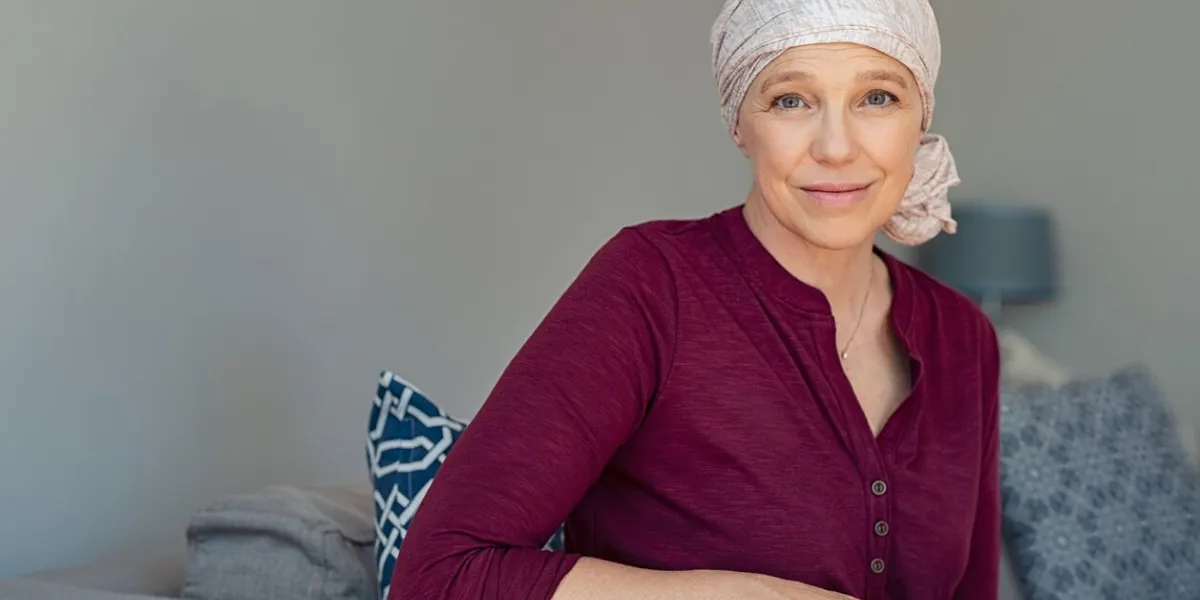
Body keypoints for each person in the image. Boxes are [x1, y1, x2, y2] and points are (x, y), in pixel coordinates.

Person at [390, 0, 1000, 598]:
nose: (836, 148)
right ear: (740, 123)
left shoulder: (964, 337)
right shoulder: (652, 286)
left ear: (921, 117)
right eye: (791, 100)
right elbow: (441, 575)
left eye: (878, 98)